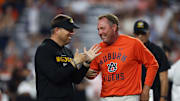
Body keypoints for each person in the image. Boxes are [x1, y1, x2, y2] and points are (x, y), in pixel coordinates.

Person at [86, 14, 159, 101]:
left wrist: (146, 90)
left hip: (129, 97)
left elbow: (153, 64)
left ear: (114, 27)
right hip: (106, 98)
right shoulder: (97, 49)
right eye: (98, 29)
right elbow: (91, 76)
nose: (100, 33)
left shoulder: (134, 44)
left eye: (103, 28)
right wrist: (86, 66)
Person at [34, 14, 101, 101]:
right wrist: (74, 63)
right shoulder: (44, 49)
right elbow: (55, 76)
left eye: (72, 30)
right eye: (68, 29)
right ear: (57, 30)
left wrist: (86, 64)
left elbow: (75, 79)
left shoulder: (67, 51)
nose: (72, 33)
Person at [133, 20, 170, 101]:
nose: (140, 36)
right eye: (137, 33)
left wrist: (163, 97)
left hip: (152, 94)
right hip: (133, 94)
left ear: (148, 33)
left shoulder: (158, 51)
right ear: (133, 34)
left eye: (143, 33)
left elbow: (164, 77)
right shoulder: (129, 51)